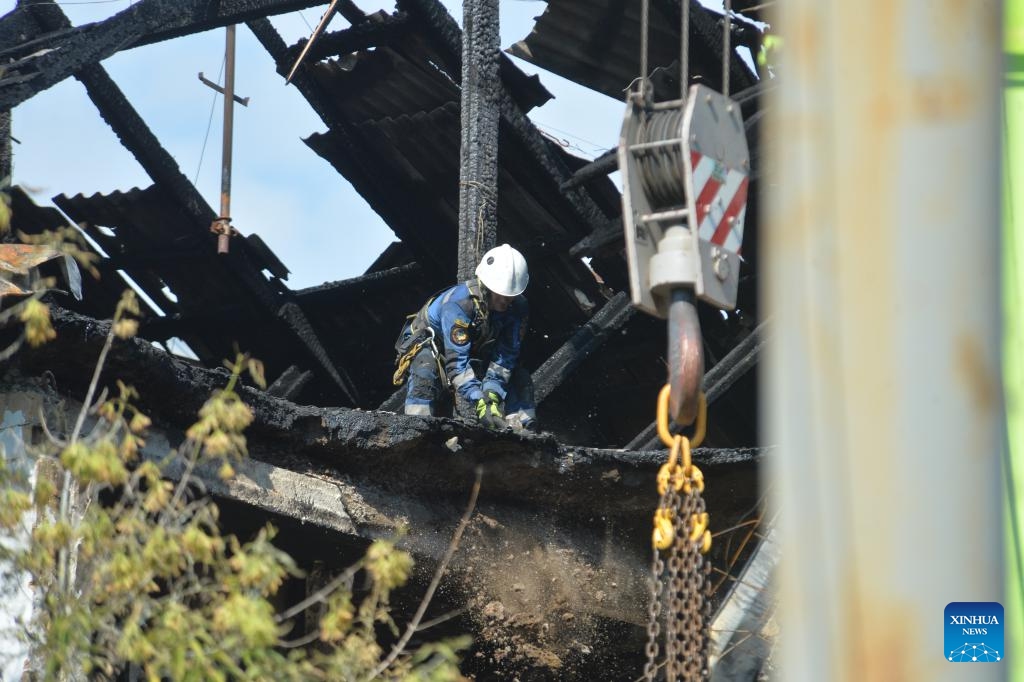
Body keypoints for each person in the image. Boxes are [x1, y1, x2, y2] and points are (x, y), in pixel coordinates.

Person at [393, 244, 537, 431]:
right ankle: (418, 430)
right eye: (501, 295)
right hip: (431, 344)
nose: (506, 301)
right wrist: (479, 400)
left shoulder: (517, 307)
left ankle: (524, 431)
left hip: (474, 347)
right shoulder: (459, 304)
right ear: (487, 287)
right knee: (425, 369)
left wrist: (492, 393)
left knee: (520, 378)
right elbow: (457, 364)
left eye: (511, 296)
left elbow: (506, 356)